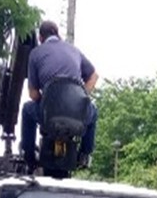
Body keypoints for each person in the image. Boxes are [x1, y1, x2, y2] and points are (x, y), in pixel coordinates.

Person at [20, 20, 99, 171]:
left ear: (40, 38)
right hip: (77, 113)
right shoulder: (74, 51)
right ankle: (85, 155)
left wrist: (47, 102)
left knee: (27, 109)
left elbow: (33, 94)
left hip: (49, 115)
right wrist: (82, 97)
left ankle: (29, 156)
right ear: (58, 35)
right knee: (93, 112)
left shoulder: (35, 53)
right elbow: (94, 76)